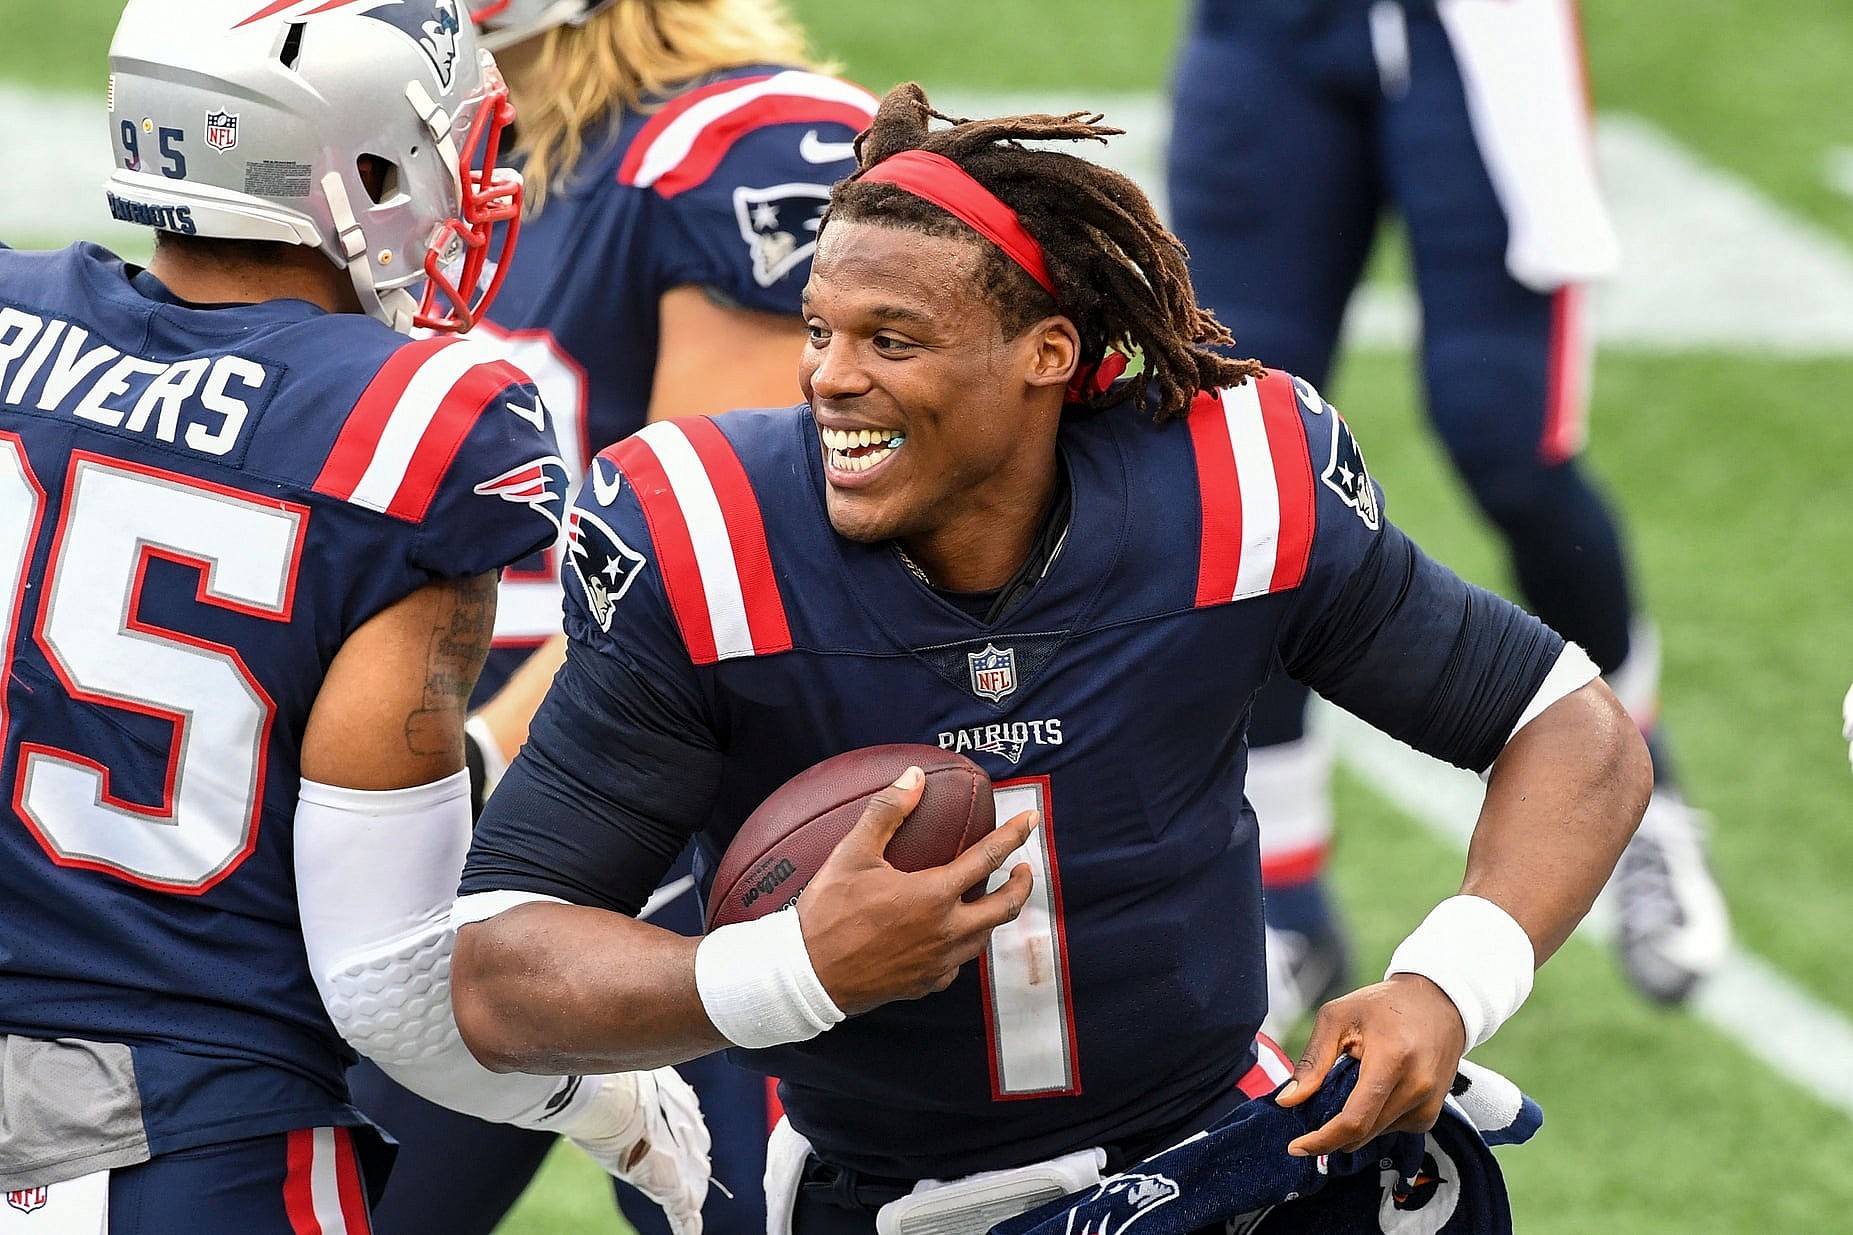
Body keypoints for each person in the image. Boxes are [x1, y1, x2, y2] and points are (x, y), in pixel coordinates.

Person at [448, 82, 1652, 1234]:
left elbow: (1568, 724)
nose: (827, 376)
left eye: (891, 336)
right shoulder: (707, 534)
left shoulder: (1231, 484)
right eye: (819, 329)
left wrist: (1445, 981)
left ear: (1045, 354)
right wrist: (790, 968)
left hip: (1213, 1172)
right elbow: (501, 964)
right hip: (876, 1197)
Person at [0, 3, 705, 1231]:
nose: (464, 184)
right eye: (432, 148)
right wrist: (608, 1104)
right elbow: (391, 989)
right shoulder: (408, 430)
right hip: (189, 1139)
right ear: (350, 166)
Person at [342, 3, 877, 1232]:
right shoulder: (428, 145)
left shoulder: (743, 141)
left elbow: (714, 561)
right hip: (454, 824)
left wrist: (472, 770)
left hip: (682, 838)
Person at [1165, 0, 1730, 1014]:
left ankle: (1639, 784)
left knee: (1505, 440)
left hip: (1470, 36)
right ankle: (1283, 900)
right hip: (1260, 34)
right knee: (1233, 441)